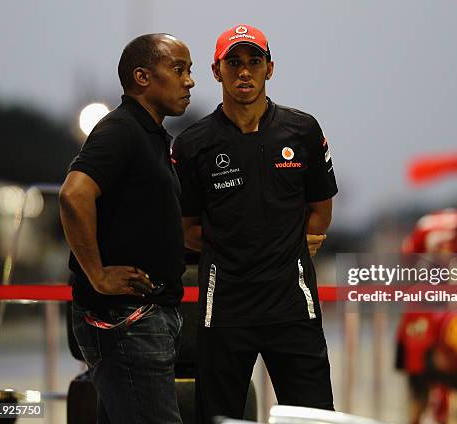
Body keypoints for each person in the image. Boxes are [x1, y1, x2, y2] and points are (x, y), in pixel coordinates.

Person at [172, 24, 337, 424]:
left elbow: (320, 209)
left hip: (293, 308)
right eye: (234, 63)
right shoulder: (192, 144)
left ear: (270, 68)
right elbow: (186, 227)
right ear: (216, 71)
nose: (244, 72)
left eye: (254, 62)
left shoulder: (303, 130)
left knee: (314, 419)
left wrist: (297, 245)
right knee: (221, 418)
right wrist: (234, 249)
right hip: (225, 311)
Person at [59, 33, 194, 424]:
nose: (190, 81)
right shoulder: (122, 129)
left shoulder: (151, 136)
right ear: (142, 77)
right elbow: (73, 195)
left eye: (190, 71)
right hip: (127, 319)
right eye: (178, 69)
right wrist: (97, 274)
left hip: (145, 316)